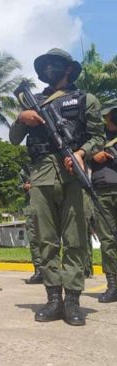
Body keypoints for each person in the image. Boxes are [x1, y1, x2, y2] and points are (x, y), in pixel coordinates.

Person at [9, 48, 104, 326]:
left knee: (75, 240)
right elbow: (15, 139)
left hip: (72, 173)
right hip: (40, 175)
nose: (50, 68)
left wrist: (82, 153)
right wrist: (20, 118)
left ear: (68, 69)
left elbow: (98, 136)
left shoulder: (87, 99)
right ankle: (53, 300)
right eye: (46, 65)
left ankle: (72, 301)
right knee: (45, 240)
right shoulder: (33, 102)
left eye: (55, 64)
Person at [90, 100, 117, 302]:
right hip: (102, 194)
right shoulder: (96, 138)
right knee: (107, 241)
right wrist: (94, 155)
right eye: (111, 114)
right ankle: (113, 285)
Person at [19, 167, 43, 284]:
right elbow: (19, 186)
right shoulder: (25, 170)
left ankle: (52, 270)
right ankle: (39, 270)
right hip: (31, 207)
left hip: (47, 206)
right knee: (33, 239)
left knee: (50, 239)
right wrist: (25, 187)